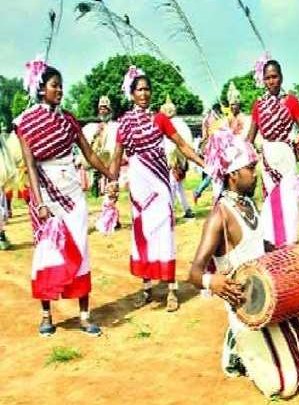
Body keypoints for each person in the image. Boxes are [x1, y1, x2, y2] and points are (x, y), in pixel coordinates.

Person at [188, 131, 299, 397]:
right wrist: (212, 281)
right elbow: (193, 272)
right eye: (250, 168)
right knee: (284, 385)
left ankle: (243, 344)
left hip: (267, 296)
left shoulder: (249, 203)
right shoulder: (219, 216)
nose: (256, 173)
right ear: (233, 174)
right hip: (245, 307)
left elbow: (259, 244)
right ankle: (235, 345)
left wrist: (290, 253)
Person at [15, 58, 115, 336]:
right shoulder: (25, 123)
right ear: (41, 88)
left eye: (61, 86)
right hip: (45, 195)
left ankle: (84, 315)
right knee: (47, 252)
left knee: (80, 249)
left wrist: (110, 174)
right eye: (54, 86)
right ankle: (46, 315)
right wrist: (40, 202)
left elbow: (89, 153)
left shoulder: (68, 119)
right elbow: (30, 165)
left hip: (72, 193)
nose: (59, 90)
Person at [109, 66, 204, 312]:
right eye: (139, 90)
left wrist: (204, 163)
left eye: (147, 89)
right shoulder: (124, 123)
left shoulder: (160, 119)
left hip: (160, 185)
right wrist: (111, 182)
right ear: (131, 93)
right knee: (143, 234)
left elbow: (182, 145)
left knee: (164, 233)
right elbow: (117, 156)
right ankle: (147, 288)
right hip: (139, 186)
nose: (144, 94)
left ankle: (171, 289)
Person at [247, 59, 299, 248]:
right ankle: (272, 243)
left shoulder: (291, 101)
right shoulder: (259, 105)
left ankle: (289, 243)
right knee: (272, 200)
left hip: (286, 156)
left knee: (288, 200)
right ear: (263, 80)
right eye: (267, 78)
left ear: (281, 78)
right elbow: (250, 137)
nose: (271, 81)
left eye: (274, 77)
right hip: (268, 157)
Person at [160, 98, 195, 219]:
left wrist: (175, 160)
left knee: (173, 185)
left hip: (174, 159)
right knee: (178, 186)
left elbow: (173, 146)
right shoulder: (180, 123)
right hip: (178, 159)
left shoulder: (172, 123)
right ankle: (187, 209)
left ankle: (169, 211)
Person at [193, 102, 231, 203]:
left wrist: (201, 146)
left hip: (211, 149)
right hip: (216, 150)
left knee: (212, 172)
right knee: (215, 173)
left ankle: (200, 191)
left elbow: (204, 135)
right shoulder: (220, 120)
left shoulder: (209, 119)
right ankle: (205, 193)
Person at [82, 95, 118, 197]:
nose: (103, 110)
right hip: (96, 159)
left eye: (105, 108)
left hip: (111, 160)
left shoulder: (115, 126)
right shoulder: (91, 127)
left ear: (109, 110)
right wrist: (96, 135)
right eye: (101, 108)